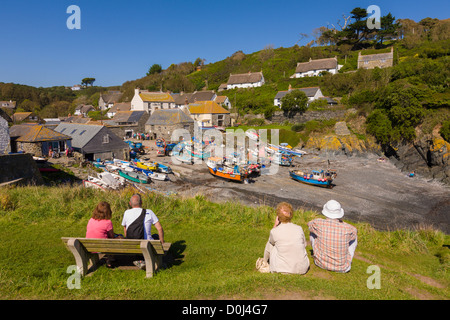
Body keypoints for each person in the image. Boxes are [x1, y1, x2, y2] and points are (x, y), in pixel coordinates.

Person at [308, 200, 357, 273]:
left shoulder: (318, 223)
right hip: (343, 268)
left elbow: (309, 224)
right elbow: (353, 236)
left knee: (313, 232)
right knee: (354, 238)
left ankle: (320, 256)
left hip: (320, 263)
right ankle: (344, 258)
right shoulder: (349, 228)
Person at [262, 202, 310, 274]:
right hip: (302, 268)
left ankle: (264, 262)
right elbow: (304, 245)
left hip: (281, 269)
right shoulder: (299, 228)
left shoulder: (274, 231)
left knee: (271, 243)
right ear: (291, 215)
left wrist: (275, 225)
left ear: (278, 216)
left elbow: (271, 243)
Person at [122, 194, 165, 269]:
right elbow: (160, 228)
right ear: (141, 202)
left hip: (131, 244)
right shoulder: (149, 212)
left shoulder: (126, 212)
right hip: (146, 244)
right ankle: (153, 261)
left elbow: (125, 228)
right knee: (155, 236)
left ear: (130, 203)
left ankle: (139, 260)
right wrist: (162, 242)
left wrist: (128, 239)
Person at [86, 201, 122, 268]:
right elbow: (111, 236)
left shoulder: (91, 220)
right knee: (118, 237)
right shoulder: (108, 222)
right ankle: (110, 259)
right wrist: (119, 236)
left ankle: (108, 258)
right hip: (103, 246)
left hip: (90, 246)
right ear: (108, 211)